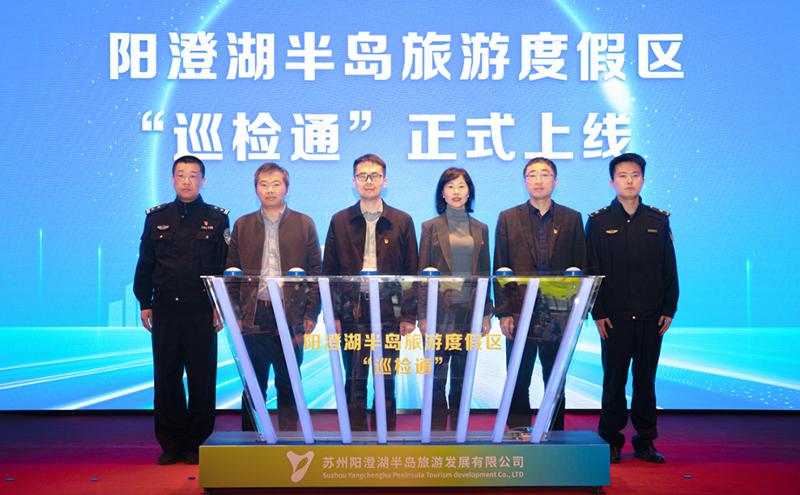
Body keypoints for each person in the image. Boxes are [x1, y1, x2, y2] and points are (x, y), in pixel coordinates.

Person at [133, 155, 229, 465]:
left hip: (202, 311)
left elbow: (223, 267)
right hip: (165, 310)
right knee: (167, 377)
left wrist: (220, 306)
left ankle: (198, 444)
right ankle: (172, 444)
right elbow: (146, 261)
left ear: (203, 180)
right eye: (181, 175)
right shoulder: (156, 217)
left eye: (193, 175)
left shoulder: (217, 219)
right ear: (173, 179)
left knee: (202, 379)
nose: (187, 181)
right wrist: (145, 302)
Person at [586, 152, 678, 464]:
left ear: (643, 180)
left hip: (651, 316)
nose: (629, 181)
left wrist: (669, 308)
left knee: (645, 380)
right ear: (612, 181)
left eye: (635, 175)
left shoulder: (658, 220)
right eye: (622, 176)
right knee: (614, 380)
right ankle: (611, 440)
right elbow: (592, 270)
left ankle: (645, 441)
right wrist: (598, 312)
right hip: (614, 318)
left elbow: (669, 268)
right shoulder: (599, 221)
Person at [322, 153, 418, 431]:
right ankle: (354, 439)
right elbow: (329, 271)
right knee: (354, 378)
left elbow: (411, 271)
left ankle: (385, 439)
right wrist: (332, 315)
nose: (368, 180)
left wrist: (409, 315)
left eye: (374, 175)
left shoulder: (402, 220)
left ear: (385, 181)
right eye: (362, 175)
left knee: (386, 377)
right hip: (351, 311)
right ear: (354, 182)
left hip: (389, 310)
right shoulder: (340, 220)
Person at [224, 163, 321, 432]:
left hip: (291, 315)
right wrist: (235, 313)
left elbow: (315, 272)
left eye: (276, 184)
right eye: (264, 184)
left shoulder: (304, 223)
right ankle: (250, 439)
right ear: (256, 189)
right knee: (253, 383)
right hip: (255, 314)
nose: (270, 190)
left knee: (289, 381)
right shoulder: (242, 224)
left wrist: (311, 313)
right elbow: (231, 273)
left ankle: (289, 438)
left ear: (287, 189)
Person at [493, 157, 586, 433]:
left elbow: (580, 266)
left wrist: (578, 312)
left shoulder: (572, 218)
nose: (538, 180)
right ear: (525, 182)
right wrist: (504, 313)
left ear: (555, 181)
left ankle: (555, 434)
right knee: (518, 377)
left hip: (558, 313)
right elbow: (501, 266)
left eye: (545, 174)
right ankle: (517, 432)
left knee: (555, 378)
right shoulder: (508, 218)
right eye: (532, 175)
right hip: (519, 312)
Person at [418, 167, 491, 431]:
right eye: (450, 186)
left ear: (469, 191)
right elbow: (422, 272)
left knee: (462, 376)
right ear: (442, 193)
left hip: (468, 312)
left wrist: (486, 312)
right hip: (438, 313)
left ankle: (460, 432)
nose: (456, 191)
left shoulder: (481, 228)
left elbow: (484, 271)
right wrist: (423, 315)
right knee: (436, 377)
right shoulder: (429, 227)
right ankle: (437, 433)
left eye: (461, 186)